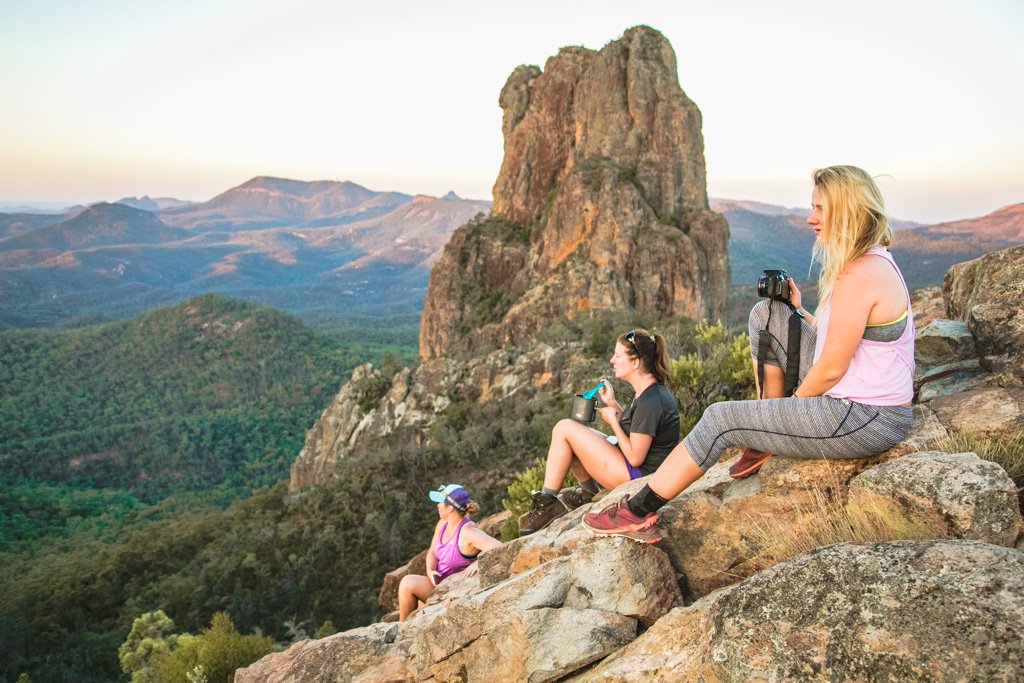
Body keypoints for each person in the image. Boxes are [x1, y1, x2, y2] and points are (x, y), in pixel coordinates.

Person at [584, 165, 915, 543]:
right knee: (769, 312)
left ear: (847, 210)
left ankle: (636, 511)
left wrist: (785, 410)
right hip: (864, 402)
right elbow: (849, 339)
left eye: (821, 209)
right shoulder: (872, 260)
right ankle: (764, 438)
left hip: (867, 417)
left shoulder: (860, 275)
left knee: (719, 418)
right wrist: (800, 310)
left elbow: (831, 369)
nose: (811, 218)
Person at [518, 328, 680, 535]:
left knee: (564, 428)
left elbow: (636, 457)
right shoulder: (648, 392)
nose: (612, 360)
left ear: (636, 362)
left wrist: (612, 421)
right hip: (638, 470)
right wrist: (613, 404)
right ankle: (587, 494)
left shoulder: (651, 401)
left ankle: (548, 504)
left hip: (639, 479)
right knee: (570, 437)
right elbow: (636, 431)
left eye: (618, 355)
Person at [397, 484, 500, 621]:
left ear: (450, 508)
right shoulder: (442, 523)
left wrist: (478, 562)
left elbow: (498, 547)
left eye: (440, 503)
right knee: (418, 610)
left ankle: (400, 629)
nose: (437, 505)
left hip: (453, 590)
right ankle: (402, 629)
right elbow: (432, 552)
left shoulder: (468, 532)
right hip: (438, 585)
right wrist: (430, 570)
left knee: (407, 582)